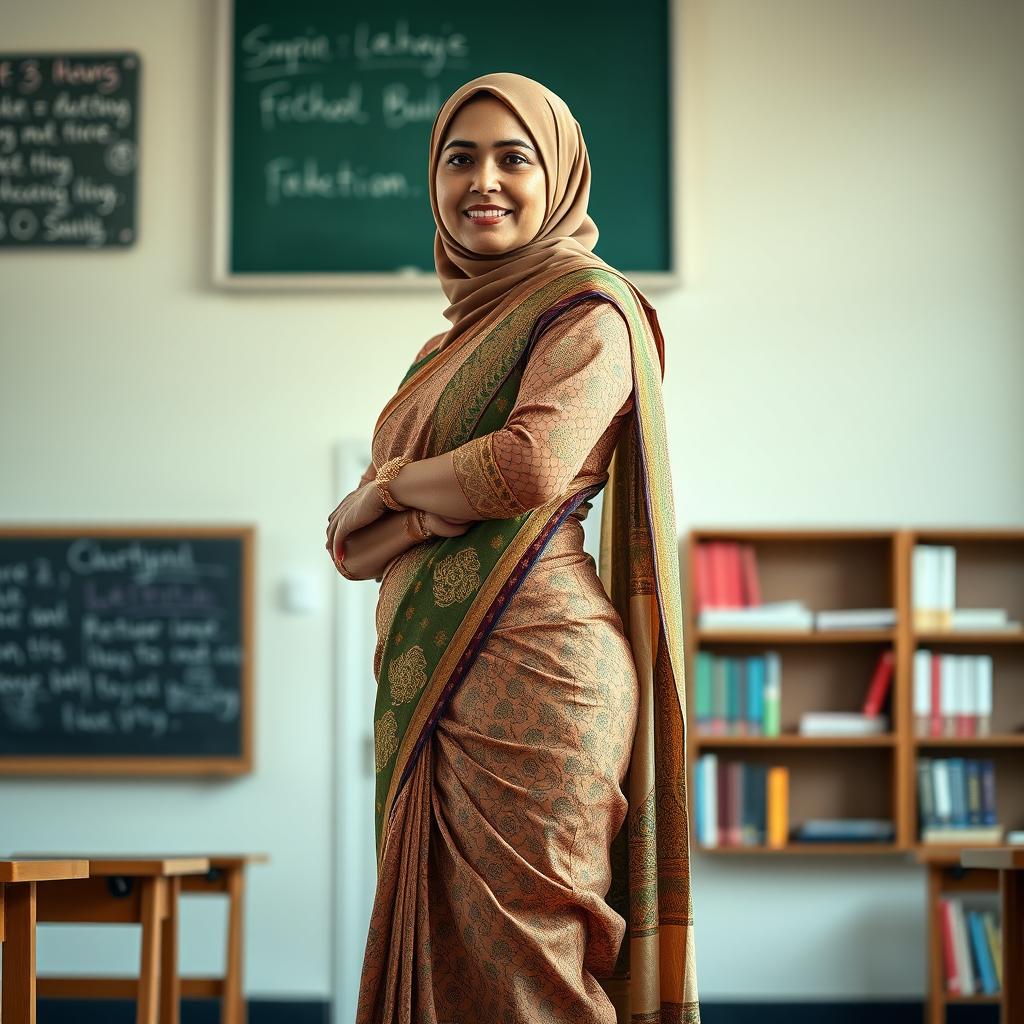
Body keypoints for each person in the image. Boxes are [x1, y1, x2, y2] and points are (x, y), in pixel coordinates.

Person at [326, 72, 700, 1024]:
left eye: (512, 157)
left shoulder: (591, 310)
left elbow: (529, 468)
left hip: (542, 673)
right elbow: (353, 553)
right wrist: (411, 512)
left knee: (533, 956)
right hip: (433, 680)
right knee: (449, 961)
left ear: (558, 175)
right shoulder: (441, 350)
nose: (482, 181)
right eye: (460, 159)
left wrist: (392, 489)